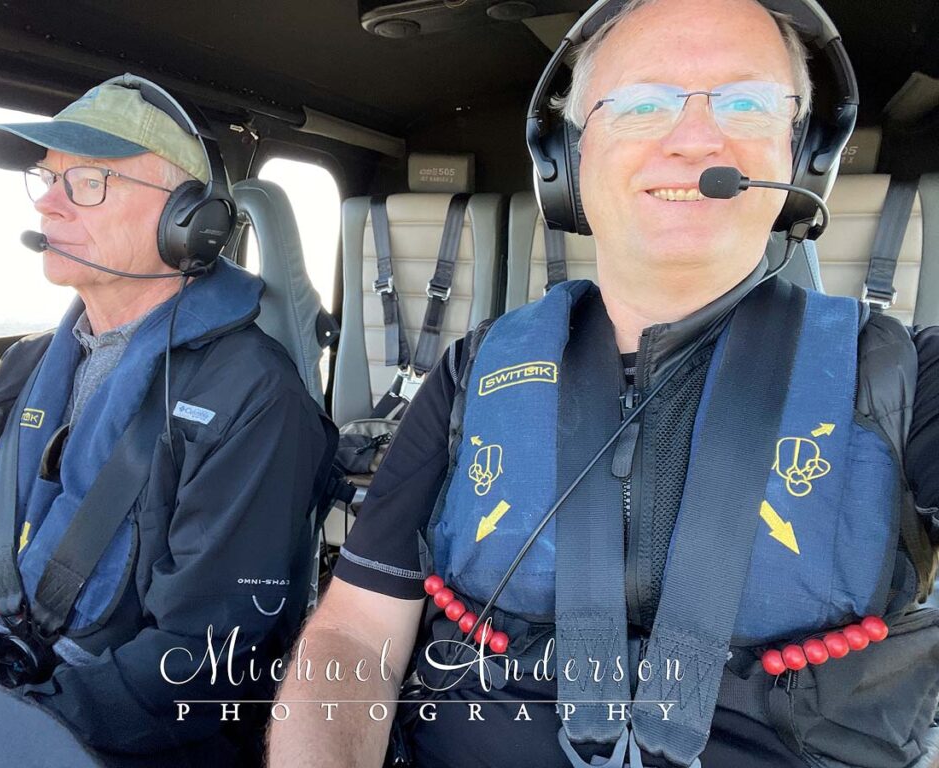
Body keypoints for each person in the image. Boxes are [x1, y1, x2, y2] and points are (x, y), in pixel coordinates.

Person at [268, 0, 939, 766]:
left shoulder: (904, 376)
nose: (694, 138)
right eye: (642, 103)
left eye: (746, 101)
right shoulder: (472, 373)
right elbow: (356, 630)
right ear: (566, 159)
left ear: (801, 155)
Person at [0, 75, 335, 765]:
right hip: (2, 688)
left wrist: (9, 729)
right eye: (45, 178)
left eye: (86, 179)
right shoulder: (23, 372)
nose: (49, 200)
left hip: (136, 736)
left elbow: (197, 656)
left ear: (187, 221)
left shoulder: (257, 397)